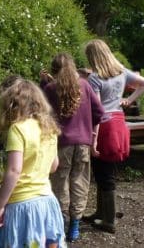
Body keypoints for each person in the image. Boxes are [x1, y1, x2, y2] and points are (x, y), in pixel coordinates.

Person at [82, 39, 144, 233]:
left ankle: (109, 221)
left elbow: (96, 112)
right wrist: (128, 100)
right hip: (119, 123)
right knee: (105, 171)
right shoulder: (121, 71)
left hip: (104, 127)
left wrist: (93, 140)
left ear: (93, 57)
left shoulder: (95, 79)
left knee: (104, 173)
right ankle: (100, 213)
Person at [0, 77, 67, 248]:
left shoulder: (17, 129)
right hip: (47, 202)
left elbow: (14, 170)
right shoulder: (49, 128)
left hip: (22, 206)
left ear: (11, 104)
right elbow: (54, 166)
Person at [39, 53, 104, 242]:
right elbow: (99, 112)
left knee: (60, 183)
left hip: (61, 144)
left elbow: (44, 112)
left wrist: (43, 84)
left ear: (54, 70)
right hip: (83, 143)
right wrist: (89, 130)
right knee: (80, 182)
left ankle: (61, 221)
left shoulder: (51, 88)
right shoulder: (85, 85)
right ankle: (75, 225)